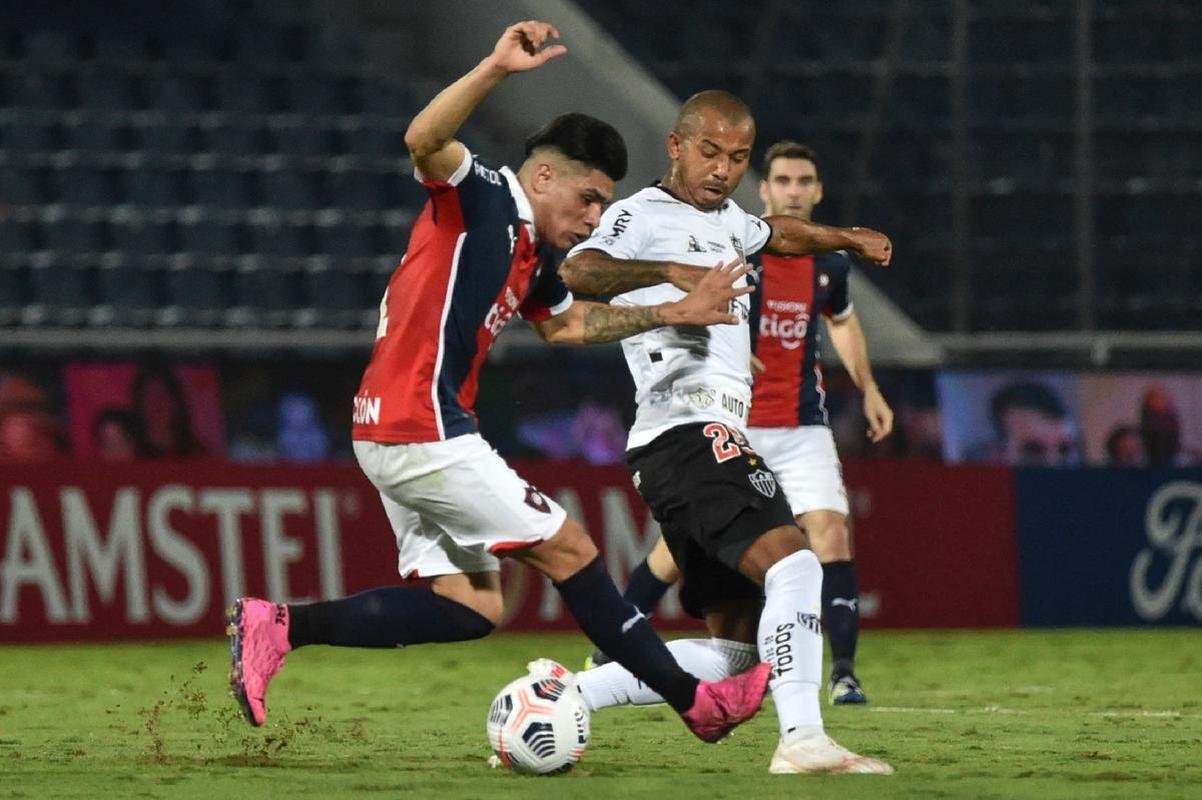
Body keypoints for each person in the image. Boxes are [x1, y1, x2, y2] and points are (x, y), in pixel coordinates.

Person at [227, 21, 772, 746]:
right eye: (586, 199)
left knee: (473, 606)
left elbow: (568, 327)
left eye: (603, 206)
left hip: (398, 426)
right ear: (543, 175)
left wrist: (677, 310)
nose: (592, 218)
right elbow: (423, 139)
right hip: (421, 424)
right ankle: (697, 703)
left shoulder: (536, 257)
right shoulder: (482, 195)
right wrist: (493, 68)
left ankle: (278, 626)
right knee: (572, 549)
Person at [556, 93, 894, 773]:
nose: (722, 169)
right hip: (686, 429)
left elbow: (779, 233)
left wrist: (844, 237)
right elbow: (578, 270)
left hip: (686, 440)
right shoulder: (639, 215)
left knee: (736, 653)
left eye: (737, 158)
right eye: (710, 152)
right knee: (797, 562)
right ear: (676, 146)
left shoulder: (729, 218)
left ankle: (564, 697)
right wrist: (670, 276)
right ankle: (802, 739)